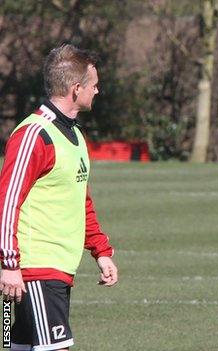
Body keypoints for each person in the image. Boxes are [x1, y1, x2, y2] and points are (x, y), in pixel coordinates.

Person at [0, 44, 118, 351]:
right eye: (93, 85)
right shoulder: (34, 135)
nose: (98, 90)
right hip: (33, 270)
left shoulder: (75, 135)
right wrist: (9, 264)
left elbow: (80, 199)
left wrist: (100, 250)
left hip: (57, 270)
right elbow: (6, 201)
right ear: (76, 89)